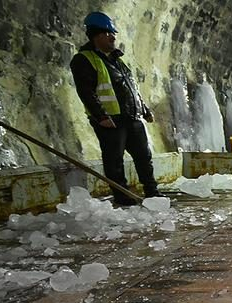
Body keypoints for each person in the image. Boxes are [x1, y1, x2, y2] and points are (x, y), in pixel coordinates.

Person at [70, 12, 164, 205]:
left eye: (113, 33)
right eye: (109, 33)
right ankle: (122, 196)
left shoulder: (117, 60)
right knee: (114, 161)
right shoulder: (84, 59)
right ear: (97, 35)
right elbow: (86, 92)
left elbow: (131, 88)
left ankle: (152, 192)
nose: (113, 37)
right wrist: (100, 116)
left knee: (144, 157)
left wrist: (144, 109)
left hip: (132, 116)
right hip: (111, 119)